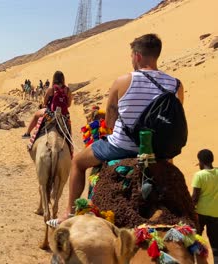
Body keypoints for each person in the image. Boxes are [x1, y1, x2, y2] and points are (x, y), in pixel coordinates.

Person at [57, 33, 185, 221]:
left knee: (78, 163)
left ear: (137, 56)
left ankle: (68, 213)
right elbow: (173, 122)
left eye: (132, 55)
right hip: (160, 152)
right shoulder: (176, 85)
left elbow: (109, 123)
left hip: (121, 147)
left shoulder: (123, 81)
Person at [22, 71, 72, 138]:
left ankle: (27, 133)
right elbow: (69, 104)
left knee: (36, 115)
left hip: (51, 114)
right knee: (69, 129)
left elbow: (44, 103)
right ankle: (70, 145)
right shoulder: (68, 90)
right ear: (63, 79)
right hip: (64, 115)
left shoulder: (51, 89)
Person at [192, 149, 218, 260]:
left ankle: (199, 260)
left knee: (196, 238)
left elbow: (195, 197)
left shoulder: (199, 175)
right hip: (216, 213)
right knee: (216, 242)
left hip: (201, 212)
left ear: (201, 162)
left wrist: (190, 209)